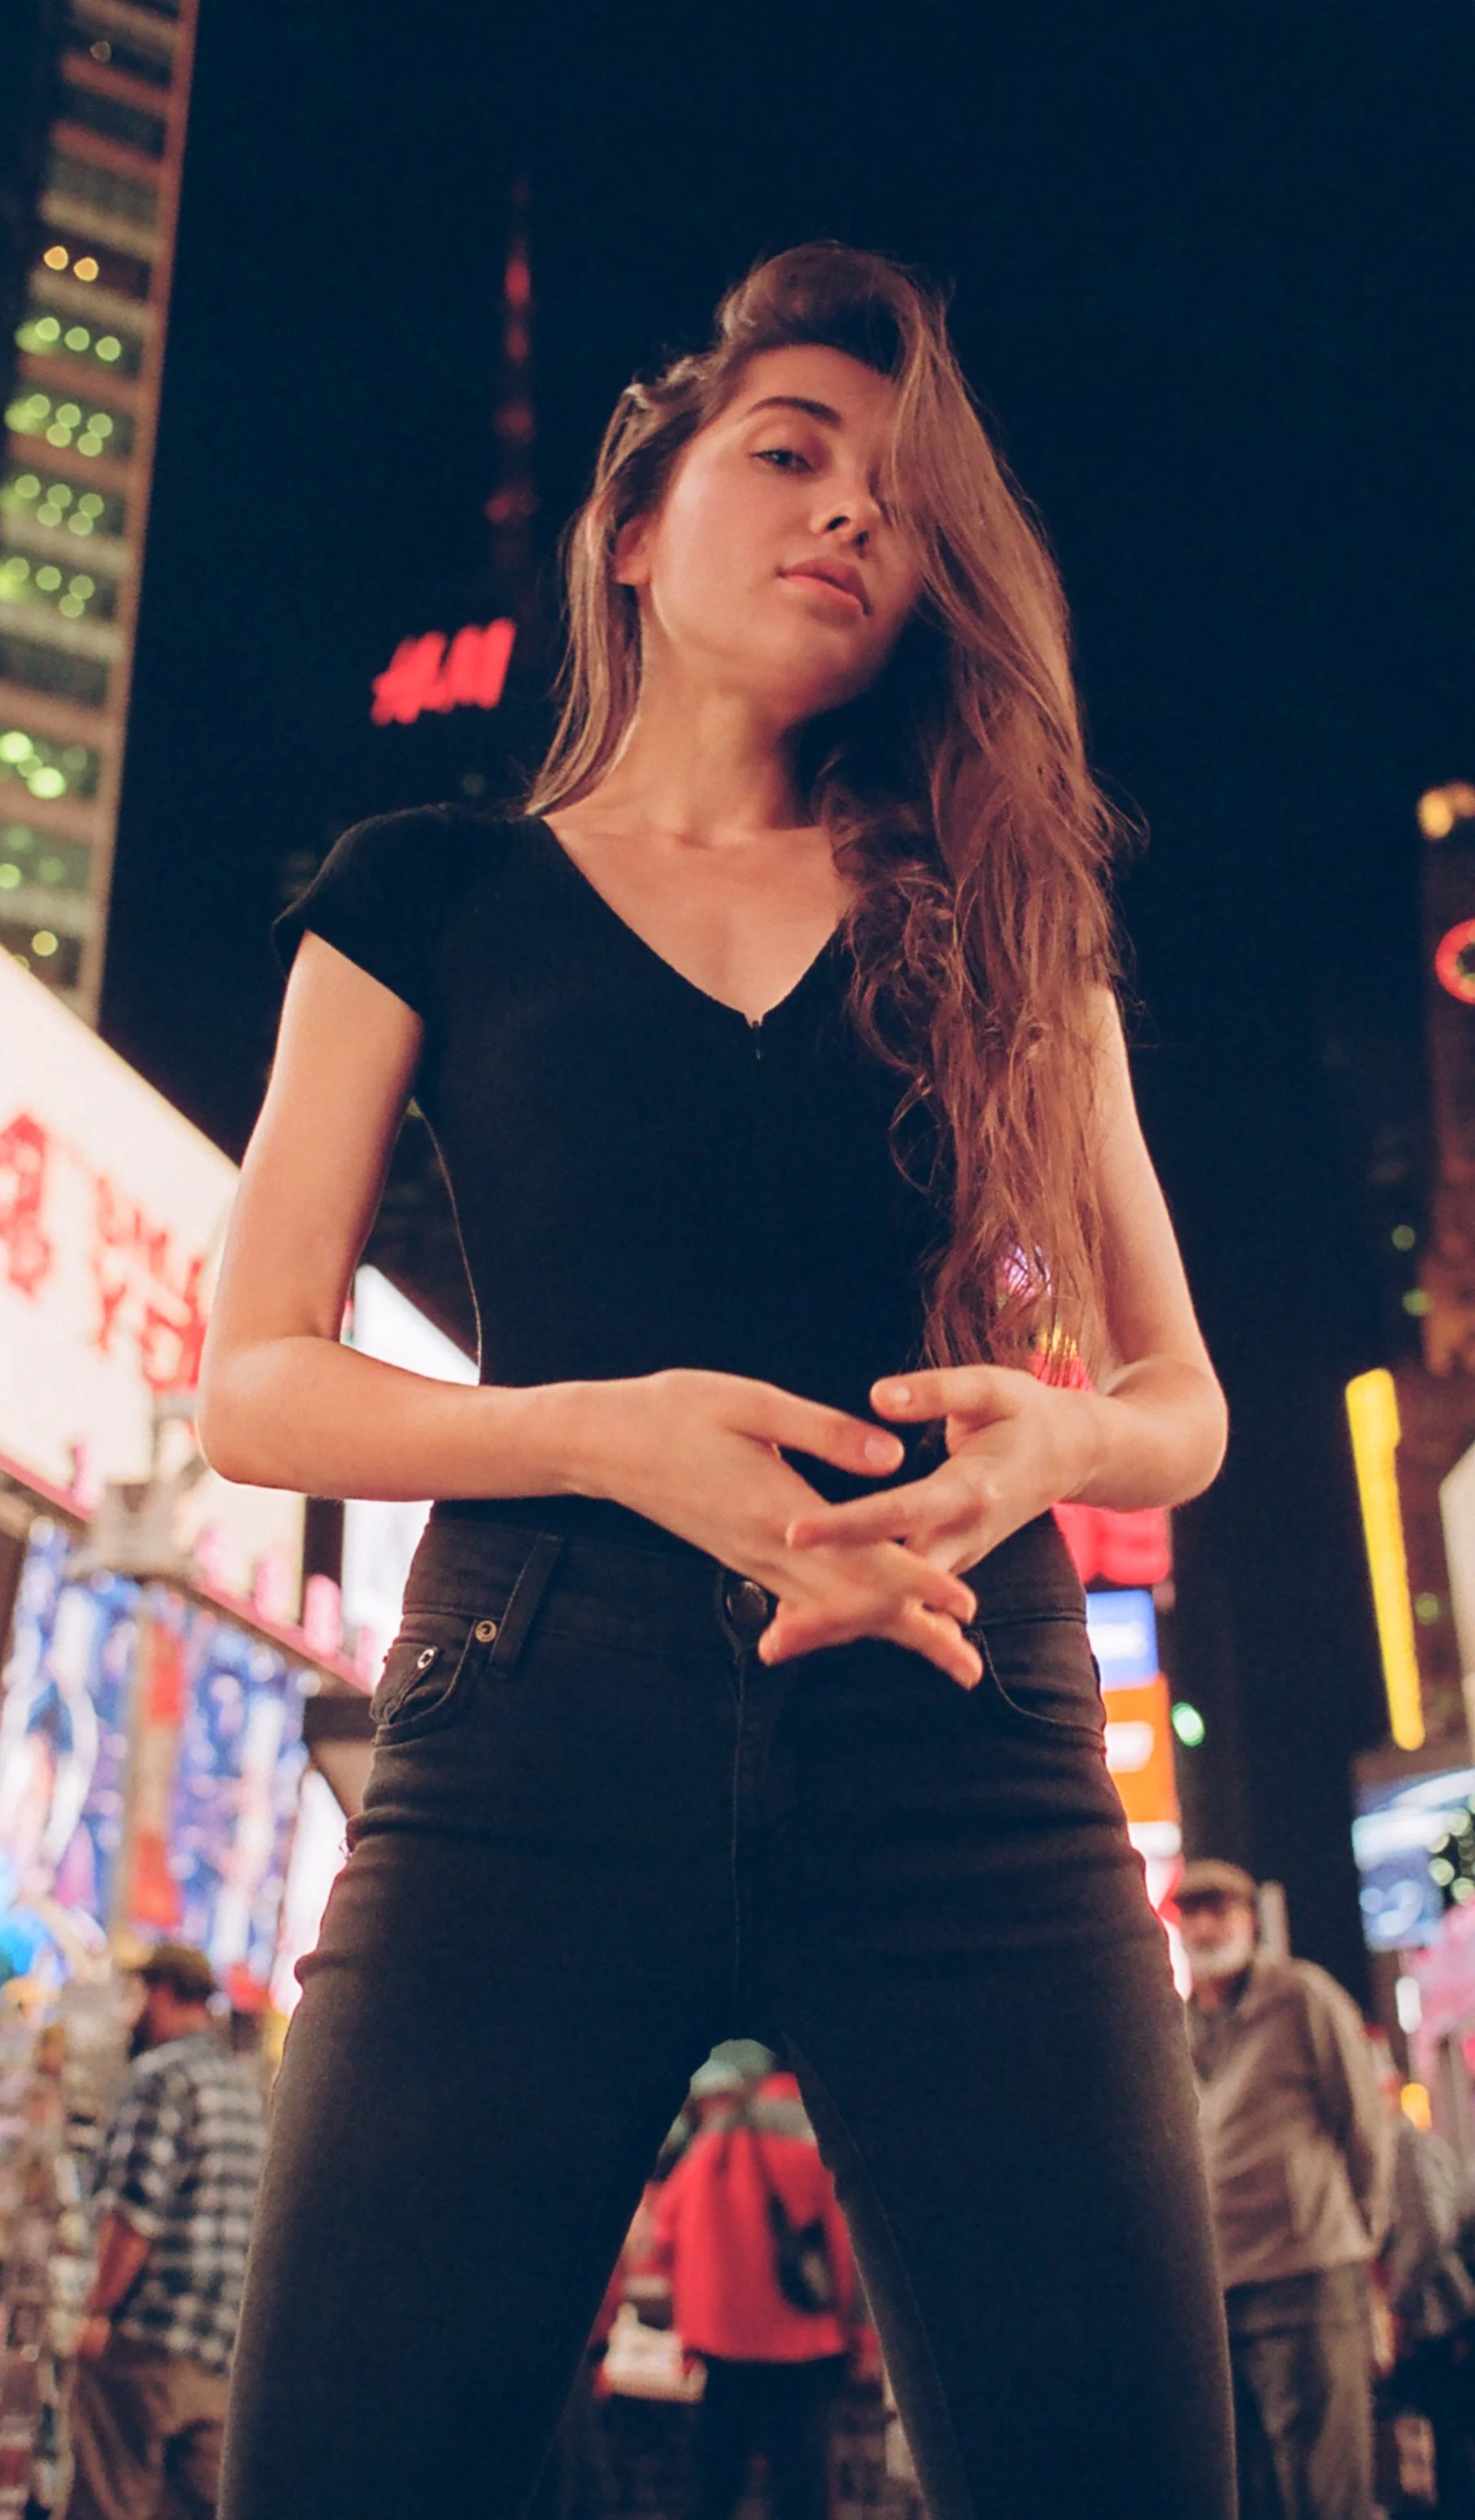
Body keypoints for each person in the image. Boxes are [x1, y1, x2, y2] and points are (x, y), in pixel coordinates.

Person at [202, 242, 1236, 2520]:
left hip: (970, 1747)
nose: (852, 515)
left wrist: (1060, 1439)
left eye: (900, 499)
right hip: (521, 1745)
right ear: (635, 521)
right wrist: (596, 1429)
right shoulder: (425, 893)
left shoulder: (1000, 923)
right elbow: (253, 1388)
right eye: (790, 454)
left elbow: (1182, 1398)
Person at [1173, 1858, 1392, 2520]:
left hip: (1310, 2282)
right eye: (1192, 1910)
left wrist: (1358, 2235)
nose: (1206, 1924)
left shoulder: (1301, 1996)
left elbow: (1365, 2128)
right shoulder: (1178, 2026)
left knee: (1328, 2498)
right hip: (1221, 2298)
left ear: (1251, 1917)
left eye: (1221, 1907)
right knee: (1249, 2500)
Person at [59, 1945, 264, 2520]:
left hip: (145, 2345)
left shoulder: (160, 2077)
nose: (132, 2011)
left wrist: (96, 2313)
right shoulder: (244, 2089)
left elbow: (133, 2216)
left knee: (107, 2504)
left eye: (137, 1994)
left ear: (165, 1993)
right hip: (217, 2352)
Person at [649, 2067, 862, 2520]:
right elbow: (850, 2249)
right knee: (799, 2489)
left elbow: (663, 2234)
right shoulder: (819, 2135)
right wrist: (859, 2334)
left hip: (722, 2342)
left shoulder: (712, 2140)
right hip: (805, 2343)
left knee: (714, 2482)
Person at [1375, 2056, 1475, 2518]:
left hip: (1441, 2317)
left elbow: (1428, 2235)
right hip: (1438, 2317)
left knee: (1453, 2437)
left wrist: (1398, 2306)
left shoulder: (1406, 2148)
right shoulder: (1399, 2148)